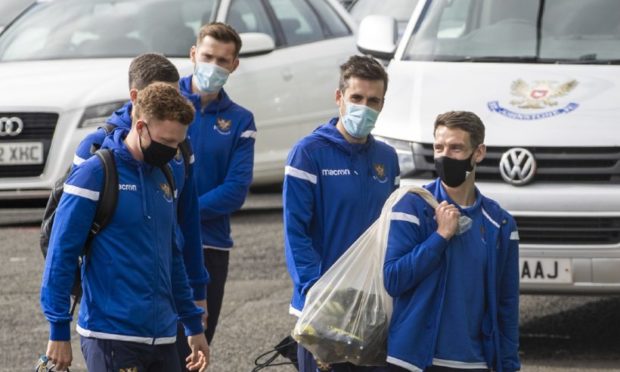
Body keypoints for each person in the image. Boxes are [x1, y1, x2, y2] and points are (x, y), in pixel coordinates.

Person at [40, 83, 209, 372]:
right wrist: (58, 330)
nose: (172, 151)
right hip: (111, 337)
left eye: (177, 144)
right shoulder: (94, 173)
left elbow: (173, 257)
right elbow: (60, 255)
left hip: (164, 337)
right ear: (140, 126)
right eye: (166, 141)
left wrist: (192, 325)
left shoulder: (165, 176)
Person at [283, 55, 400, 372]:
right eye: (357, 98)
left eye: (373, 100)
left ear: (382, 105)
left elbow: (393, 232)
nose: (365, 107)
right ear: (339, 98)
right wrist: (316, 293)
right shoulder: (308, 153)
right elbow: (296, 233)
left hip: (370, 307)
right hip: (323, 306)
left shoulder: (386, 159)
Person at [73, 53, 209, 322]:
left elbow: (188, 221)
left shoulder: (177, 144)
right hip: (116, 306)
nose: (168, 104)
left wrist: (198, 289)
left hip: (173, 292)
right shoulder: (96, 148)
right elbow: (67, 237)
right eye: (158, 95)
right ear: (136, 96)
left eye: (173, 95)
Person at [383, 111, 520, 372]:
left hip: (475, 362)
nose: (445, 156)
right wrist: (440, 236)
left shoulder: (500, 223)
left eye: (456, 148)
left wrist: (510, 365)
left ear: (478, 153)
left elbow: (507, 304)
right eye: (439, 147)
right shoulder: (413, 206)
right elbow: (393, 279)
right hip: (415, 361)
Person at [176, 22, 256, 356]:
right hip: (159, 240)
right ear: (194, 54)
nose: (213, 66)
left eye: (223, 61)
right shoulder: (162, 102)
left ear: (234, 65)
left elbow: (235, 190)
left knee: (195, 348)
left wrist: (181, 212)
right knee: (153, 347)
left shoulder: (240, 120)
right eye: (207, 56)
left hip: (211, 246)